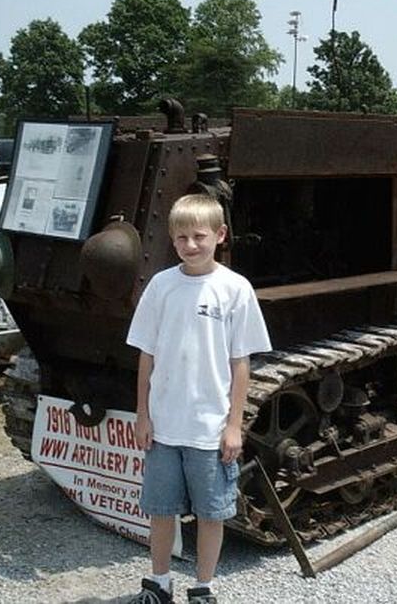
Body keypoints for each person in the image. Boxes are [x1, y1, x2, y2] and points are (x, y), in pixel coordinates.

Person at [126, 194, 271, 604]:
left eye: (199, 236)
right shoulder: (161, 286)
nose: (190, 245)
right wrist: (142, 415)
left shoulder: (234, 289)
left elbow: (240, 363)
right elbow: (146, 355)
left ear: (220, 235)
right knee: (161, 510)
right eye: (181, 237)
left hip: (209, 429)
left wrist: (233, 425)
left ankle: (203, 587)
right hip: (164, 427)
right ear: (172, 239)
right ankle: (159, 583)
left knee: (211, 513)